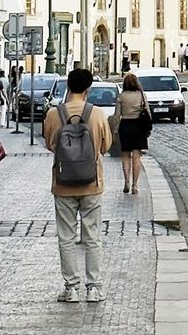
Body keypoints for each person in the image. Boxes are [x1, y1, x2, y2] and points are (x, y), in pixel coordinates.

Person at [43, 67, 112, 304]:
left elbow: (50, 144)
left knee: (66, 237)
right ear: (88, 89)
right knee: (92, 237)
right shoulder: (97, 114)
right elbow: (105, 147)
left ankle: (71, 288)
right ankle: (93, 287)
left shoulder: (54, 114)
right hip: (92, 183)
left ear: (68, 87)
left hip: (63, 184)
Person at [112, 71, 152, 195]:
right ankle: (135, 185)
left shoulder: (121, 96)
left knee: (125, 156)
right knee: (136, 157)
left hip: (125, 126)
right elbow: (148, 112)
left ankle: (126, 182)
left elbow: (117, 115)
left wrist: (114, 130)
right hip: (138, 126)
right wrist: (148, 128)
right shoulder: (141, 95)